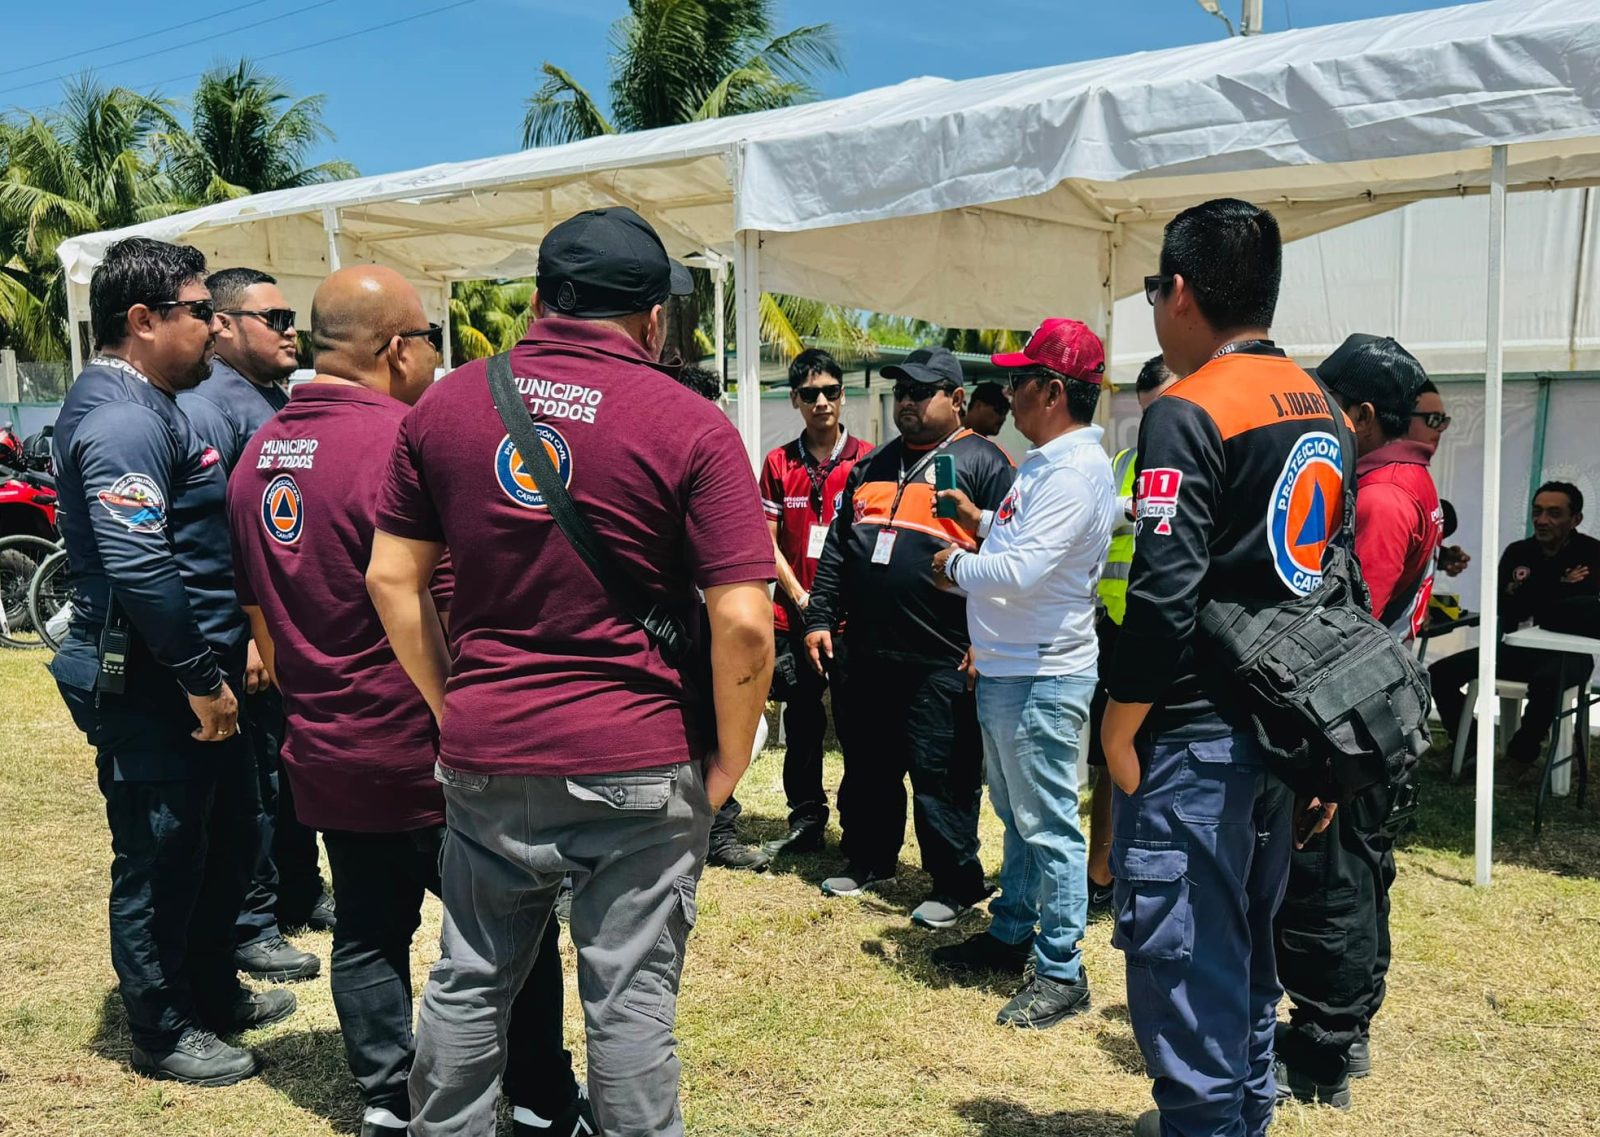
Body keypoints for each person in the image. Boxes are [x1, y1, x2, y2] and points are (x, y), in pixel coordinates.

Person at [367, 206, 774, 1137]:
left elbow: (394, 579)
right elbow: (745, 622)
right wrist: (731, 760)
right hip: (638, 752)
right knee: (628, 1002)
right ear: (654, 318)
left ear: (543, 299)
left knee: (469, 979)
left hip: (488, 751)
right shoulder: (691, 423)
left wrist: (452, 703)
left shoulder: (446, 405)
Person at [226, 266, 588, 1137]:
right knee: (514, 931)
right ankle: (540, 1097)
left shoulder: (257, 454)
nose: (435, 355)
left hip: (326, 746)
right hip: (429, 744)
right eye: (429, 338)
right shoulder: (409, 440)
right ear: (396, 347)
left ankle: (388, 1099)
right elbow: (454, 600)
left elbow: (259, 618)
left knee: (366, 929)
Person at [1099, 199, 1343, 1137]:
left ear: (1183, 292)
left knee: (1190, 977)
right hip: (1286, 735)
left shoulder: (1189, 408)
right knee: (1244, 969)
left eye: (1156, 288)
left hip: (1199, 738)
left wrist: (1120, 724)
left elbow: (1163, 593)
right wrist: (1321, 750)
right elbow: (1337, 590)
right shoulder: (1321, 406)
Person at [48, 237, 294, 1086]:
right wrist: (200, 677)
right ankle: (160, 1027)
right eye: (200, 313)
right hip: (153, 679)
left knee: (221, 835)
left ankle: (208, 986)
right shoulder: (120, 418)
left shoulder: (157, 402)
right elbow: (140, 563)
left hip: (193, 671)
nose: (214, 328)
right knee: (160, 852)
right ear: (144, 321)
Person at [925, 318, 1114, 1029]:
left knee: (1050, 826)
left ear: (1053, 391)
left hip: (1040, 673)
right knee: (1022, 818)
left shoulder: (1070, 471)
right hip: (1017, 669)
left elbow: (1023, 569)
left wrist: (955, 565)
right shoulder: (1049, 463)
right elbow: (1026, 550)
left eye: (1018, 379)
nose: (1006, 392)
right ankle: (1011, 934)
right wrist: (979, 524)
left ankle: (1062, 967)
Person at [1274, 333, 1440, 1110]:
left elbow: (1349, 633)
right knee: (1364, 873)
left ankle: (1322, 1048)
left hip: (1356, 715)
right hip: (1384, 710)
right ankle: (1349, 1025)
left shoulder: (1376, 495)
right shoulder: (1413, 481)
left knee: (1332, 879)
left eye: (1329, 409)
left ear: (1363, 414)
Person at [804, 346, 1015, 929]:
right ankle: (870, 859)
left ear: (956, 399)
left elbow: (1012, 559)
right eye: (901, 392)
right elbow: (838, 551)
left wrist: (988, 641)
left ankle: (954, 883)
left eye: (921, 393)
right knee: (868, 766)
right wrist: (819, 618)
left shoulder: (988, 463)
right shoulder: (872, 466)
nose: (907, 402)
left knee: (940, 773)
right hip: (867, 652)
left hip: (942, 656)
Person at [178, 267, 328, 987]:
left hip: (294, 626)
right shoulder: (210, 407)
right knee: (258, 783)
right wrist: (245, 630)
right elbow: (216, 537)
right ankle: (254, 922)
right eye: (275, 317)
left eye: (292, 313)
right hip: (252, 631)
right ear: (226, 325)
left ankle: (301, 890)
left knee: (294, 770)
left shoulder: (273, 400)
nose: (290, 327)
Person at [752, 347, 873, 860]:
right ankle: (806, 819)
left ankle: (859, 823)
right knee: (802, 723)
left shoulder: (869, 460)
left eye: (830, 391)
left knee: (857, 725)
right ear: (796, 400)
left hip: (852, 620)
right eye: (809, 394)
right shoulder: (779, 463)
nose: (821, 401)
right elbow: (766, 540)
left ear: (843, 396)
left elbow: (872, 542)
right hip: (793, 617)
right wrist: (802, 598)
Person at [1085, 355, 1176, 913]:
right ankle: (1102, 875)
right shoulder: (1121, 464)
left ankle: (1152, 878)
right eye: (1146, 415)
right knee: (1109, 761)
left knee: (1161, 761)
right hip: (1117, 636)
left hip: (1174, 637)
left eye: (1163, 410)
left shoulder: (1209, 463)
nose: (1156, 426)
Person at [1429, 481, 1600, 771]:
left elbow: (1579, 612)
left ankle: (1521, 754)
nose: (1542, 520)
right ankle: (1469, 744)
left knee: (1547, 680)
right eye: (1538, 511)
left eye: (1554, 513)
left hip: (1568, 655)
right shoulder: (1518, 552)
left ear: (1576, 519)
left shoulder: (1592, 553)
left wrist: (1529, 591)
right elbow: (1502, 604)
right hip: (1515, 650)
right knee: (1438, 674)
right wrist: (1559, 584)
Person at [1408, 380, 1471, 578]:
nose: (1440, 429)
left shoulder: (1419, 475)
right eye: (1433, 419)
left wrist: (1438, 556)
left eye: (1443, 420)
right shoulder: (1382, 484)